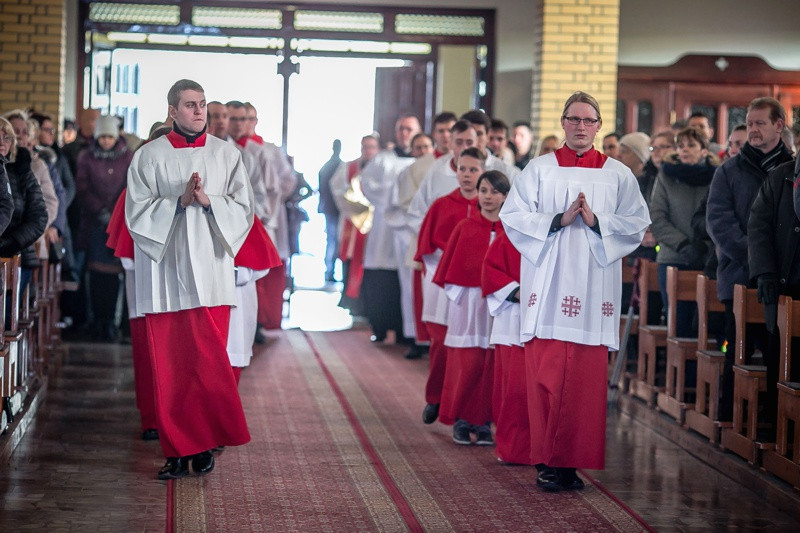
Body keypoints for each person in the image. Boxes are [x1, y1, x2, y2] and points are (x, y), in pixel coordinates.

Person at [500, 91, 649, 491]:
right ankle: (546, 460)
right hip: (548, 288)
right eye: (574, 119)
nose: (581, 127)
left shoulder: (618, 174)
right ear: (563, 123)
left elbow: (636, 225)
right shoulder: (538, 169)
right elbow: (512, 217)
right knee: (546, 377)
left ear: (599, 126)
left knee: (582, 386)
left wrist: (598, 220)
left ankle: (569, 463)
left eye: (588, 120)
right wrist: (556, 220)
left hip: (592, 290)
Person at [125, 79, 252, 479]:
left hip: (213, 274)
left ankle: (204, 445)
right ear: (172, 111)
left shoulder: (226, 154)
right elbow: (136, 214)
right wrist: (178, 203)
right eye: (190, 105)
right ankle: (177, 451)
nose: (199, 112)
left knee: (207, 367)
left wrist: (208, 201)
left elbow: (244, 208)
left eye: (201, 105)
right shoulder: (148, 157)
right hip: (166, 278)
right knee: (173, 370)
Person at [707, 97, 794, 422]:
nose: (753, 129)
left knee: (778, 353)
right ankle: (730, 419)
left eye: (760, 123)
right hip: (739, 275)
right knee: (735, 350)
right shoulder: (729, 170)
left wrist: (774, 266)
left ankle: (772, 421)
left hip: (781, 280)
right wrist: (758, 261)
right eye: (750, 123)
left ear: (779, 126)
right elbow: (719, 222)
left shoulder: (790, 169)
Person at [434, 169, 509, 445]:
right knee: (467, 359)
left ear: (506, 196)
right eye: (484, 190)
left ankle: (484, 420)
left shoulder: (510, 231)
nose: (488, 197)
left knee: (490, 361)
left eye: (495, 191)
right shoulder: (465, 227)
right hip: (468, 301)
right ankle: (462, 419)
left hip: (498, 302)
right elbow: (451, 267)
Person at [415, 147, 485, 426]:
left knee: (472, 349)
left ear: (483, 171)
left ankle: (466, 409)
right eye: (462, 169)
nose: (467, 175)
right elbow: (426, 248)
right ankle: (436, 397)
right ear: (455, 171)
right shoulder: (441, 205)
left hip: (477, 287)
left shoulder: (491, 206)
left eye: (473, 170)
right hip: (442, 283)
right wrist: (447, 269)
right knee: (442, 345)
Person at [748, 154, 800, 438]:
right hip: (782, 286)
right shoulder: (782, 176)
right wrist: (765, 273)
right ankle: (778, 430)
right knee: (779, 357)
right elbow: (758, 227)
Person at [650, 127, 720, 335]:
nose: (685, 150)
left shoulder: (717, 176)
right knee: (679, 325)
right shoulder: (666, 175)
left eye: (691, 145)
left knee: (706, 325)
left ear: (704, 151)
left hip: (707, 259)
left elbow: (719, 215)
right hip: (673, 257)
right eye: (681, 146)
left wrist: (705, 244)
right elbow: (657, 217)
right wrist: (683, 244)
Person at [360, 114, 421, 345]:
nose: (404, 133)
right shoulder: (382, 159)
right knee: (382, 279)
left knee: (408, 280)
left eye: (409, 129)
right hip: (385, 227)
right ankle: (382, 326)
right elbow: (367, 185)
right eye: (401, 129)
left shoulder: (424, 161)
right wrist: (396, 195)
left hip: (412, 227)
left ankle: (408, 332)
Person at [75, 115, 133, 341]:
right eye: (102, 136)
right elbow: (82, 188)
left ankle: (112, 322)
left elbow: (131, 185)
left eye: (110, 136)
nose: (106, 141)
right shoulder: (86, 157)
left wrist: (117, 212)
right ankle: (96, 320)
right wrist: (100, 210)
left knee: (116, 275)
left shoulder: (128, 157)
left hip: (120, 224)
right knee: (96, 273)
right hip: (95, 224)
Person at [481, 229, 528, 464]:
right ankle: (512, 448)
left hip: (548, 322)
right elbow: (490, 271)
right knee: (514, 388)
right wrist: (516, 291)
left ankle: (539, 450)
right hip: (513, 320)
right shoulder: (507, 238)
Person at [330, 134, 381, 315]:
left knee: (371, 263)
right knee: (351, 260)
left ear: (378, 149)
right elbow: (337, 190)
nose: (367, 150)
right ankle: (352, 302)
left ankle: (369, 306)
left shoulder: (382, 168)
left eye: (371, 147)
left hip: (377, 225)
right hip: (353, 222)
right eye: (364, 146)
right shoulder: (349, 167)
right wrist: (358, 205)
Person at [0, 117, 48, 299]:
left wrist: (11, 243)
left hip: (19, 254)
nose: (1, 142)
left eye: (6, 138)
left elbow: (39, 217)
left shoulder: (22, 171)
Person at [317, 139, 343, 282]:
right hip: (334, 209)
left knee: (333, 240)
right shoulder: (337, 166)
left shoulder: (327, 166)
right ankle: (330, 271)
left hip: (332, 209)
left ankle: (330, 270)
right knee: (334, 240)